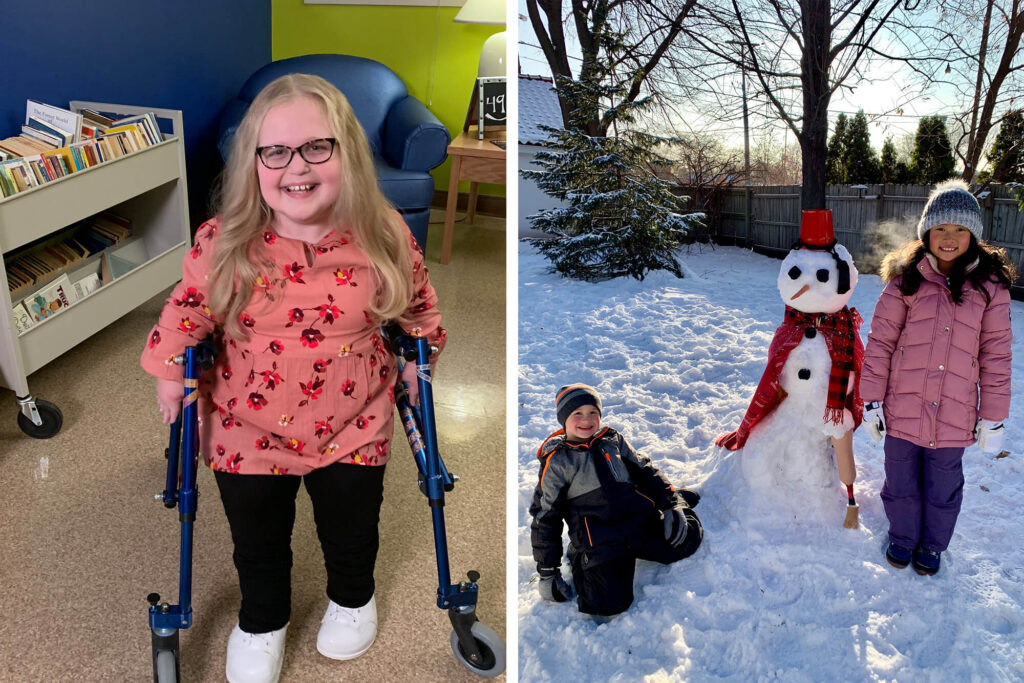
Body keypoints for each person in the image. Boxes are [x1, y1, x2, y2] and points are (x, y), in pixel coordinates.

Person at [140, 74, 446, 683]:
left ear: (348, 154)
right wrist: (170, 371)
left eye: (316, 147)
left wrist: (420, 361)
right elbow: (187, 310)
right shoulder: (222, 243)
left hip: (356, 418)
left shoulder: (385, 235)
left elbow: (419, 309)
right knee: (256, 534)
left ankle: (353, 597)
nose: (294, 167)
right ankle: (262, 617)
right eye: (274, 152)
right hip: (244, 423)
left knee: (353, 525)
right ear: (253, 163)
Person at [860, 179, 1013, 577]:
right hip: (903, 407)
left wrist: (993, 415)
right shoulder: (905, 280)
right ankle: (904, 537)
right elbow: (880, 343)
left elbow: (996, 354)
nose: (949, 238)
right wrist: (871, 399)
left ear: (973, 236)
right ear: (926, 232)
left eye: (959, 230)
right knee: (900, 481)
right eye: (940, 229)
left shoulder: (990, 287)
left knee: (943, 488)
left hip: (955, 413)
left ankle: (932, 545)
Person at [529, 383, 703, 617]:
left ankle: (677, 499)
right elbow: (544, 518)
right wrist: (548, 571)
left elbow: (645, 470)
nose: (586, 420)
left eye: (593, 412)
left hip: (638, 523)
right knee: (607, 604)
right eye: (577, 413)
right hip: (602, 540)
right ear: (564, 419)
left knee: (687, 538)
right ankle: (578, 556)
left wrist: (671, 503)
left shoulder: (611, 438)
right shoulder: (558, 462)